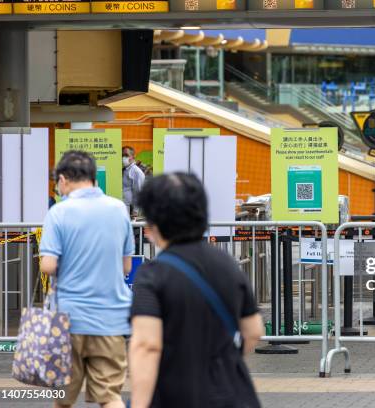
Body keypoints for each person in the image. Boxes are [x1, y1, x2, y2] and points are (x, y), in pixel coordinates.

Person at [129, 173, 263, 408]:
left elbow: (147, 345)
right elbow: (253, 331)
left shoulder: (153, 275)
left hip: (174, 394)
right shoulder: (227, 264)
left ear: (155, 223)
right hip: (231, 394)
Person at [39, 151, 134, 408]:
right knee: (110, 396)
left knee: (62, 399)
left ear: (63, 179)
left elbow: (48, 265)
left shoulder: (59, 212)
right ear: (93, 177)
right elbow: (126, 266)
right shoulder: (118, 209)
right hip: (111, 319)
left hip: (68, 318)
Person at [122, 146, 146, 218]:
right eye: (122, 155)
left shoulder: (136, 172)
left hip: (131, 211)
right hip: (124, 208)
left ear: (133, 156)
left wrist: (135, 211)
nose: (123, 158)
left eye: (126, 155)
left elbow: (138, 192)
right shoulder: (124, 170)